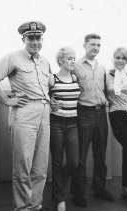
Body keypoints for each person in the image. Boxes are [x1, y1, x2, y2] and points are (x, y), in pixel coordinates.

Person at [0, 21, 51, 211]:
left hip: (44, 113)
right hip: (25, 113)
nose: (35, 42)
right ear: (24, 39)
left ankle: (35, 205)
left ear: (42, 39)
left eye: (38, 38)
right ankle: (22, 208)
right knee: (23, 165)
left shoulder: (45, 61)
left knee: (40, 165)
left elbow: (48, 87)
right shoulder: (13, 58)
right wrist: (6, 100)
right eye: (31, 38)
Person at [72, 33, 115, 207]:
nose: (96, 48)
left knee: (100, 154)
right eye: (93, 45)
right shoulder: (75, 66)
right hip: (84, 114)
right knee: (81, 157)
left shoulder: (101, 67)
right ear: (84, 45)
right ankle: (78, 193)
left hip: (101, 114)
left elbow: (106, 89)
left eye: (98, 45)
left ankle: (99, 188)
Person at [106, 47, 127, 211]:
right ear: (113, 58)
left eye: (123, 59)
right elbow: (110, 90)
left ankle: (125, 187)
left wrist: (126, 89)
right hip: (117, 115)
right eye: (117, 57)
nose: (120, 61)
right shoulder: (108, 75)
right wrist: (126, 89)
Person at [49, 47, 80, 211]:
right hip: (56, 123)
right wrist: (49, 102)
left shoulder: (75, 77)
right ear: (61, 61)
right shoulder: (52, 79)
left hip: (73, 124)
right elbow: (43, 96)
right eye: (70, 58)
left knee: (74, 162)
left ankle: (57, 188)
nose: (73, 61)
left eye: (74, 58)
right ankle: (60, 199)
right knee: (57, 161)